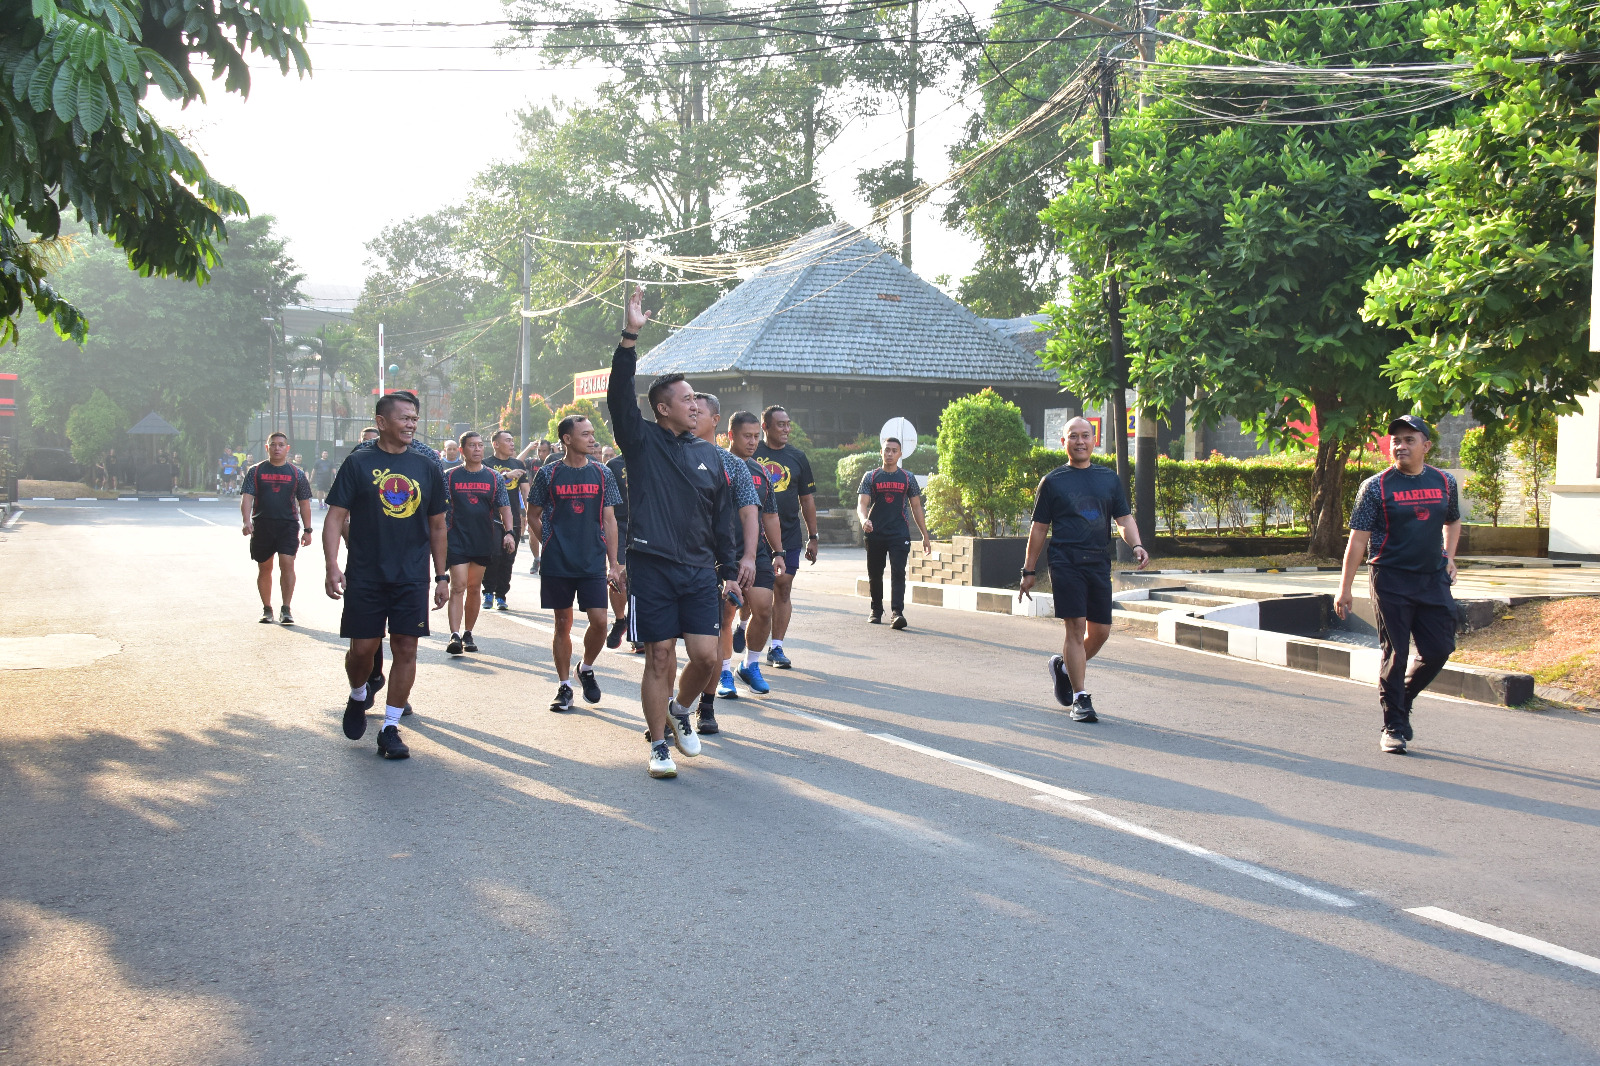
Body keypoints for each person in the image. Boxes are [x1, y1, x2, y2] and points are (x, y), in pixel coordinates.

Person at [608, 285, 753, 778]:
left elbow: (722, 521)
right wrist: (630, 337)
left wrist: (730, 572)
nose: (696, 405)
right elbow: (619, 398)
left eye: (697, 399)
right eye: (687, 399)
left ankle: (678, 712)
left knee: (709, 657)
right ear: (663, 408)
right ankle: (657, 745)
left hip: (697, 569)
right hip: (652, 566)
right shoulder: (641, 441)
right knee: (660, 656)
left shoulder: (710, 455)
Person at [322, 392, 449, 760]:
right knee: (362, 650)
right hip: (366, 574)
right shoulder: (358, 463)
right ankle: (359, 694)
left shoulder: (427, 467)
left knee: (406, 648)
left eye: (414, 418)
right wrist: (332, 565)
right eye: (404, 418)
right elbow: (334, 517)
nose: (411, 424)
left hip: (411, 576)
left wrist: (441, 576)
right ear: (381, 422)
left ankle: (390, 727)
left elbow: (438, 524)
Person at [1335, 416, 1461, 755]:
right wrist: (1345, 587)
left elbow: (1452, 519)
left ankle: (1401, 700)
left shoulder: (1445, 482)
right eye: (1395, 441)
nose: (1400, 446)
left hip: (1432, 577)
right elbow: (1358, 540)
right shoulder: (1375, 486)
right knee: (1397, 652)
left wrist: (1448, 555)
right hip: (1390, 577)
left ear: (1426, 445)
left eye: (1408, 440)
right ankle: (1393, 726)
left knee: (1439, 649)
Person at [1017, 417, 1148, 723]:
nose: (1079, 441)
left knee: (1100, 632)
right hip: (1066, 561)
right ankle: (1080, 697)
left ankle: (1064, 668)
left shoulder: (1108, 479)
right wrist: (1029, 570)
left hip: (1098, 561)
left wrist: (1137, 545)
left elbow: (1124, 519)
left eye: (1085, 436)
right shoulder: (1053, 481)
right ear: (1063, 442)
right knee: (1075, 627)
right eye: (1072, 436)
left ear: (1093, 440)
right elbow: (1039, 529)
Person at [528, 414, 623, 711]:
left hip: (593, 560)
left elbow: (609, 518)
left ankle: (586, 667)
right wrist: (550, 541)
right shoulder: (549, 473)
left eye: (592, 433)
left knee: (599, 621)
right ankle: (564, 686)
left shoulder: (602, 472)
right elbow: (533, 514)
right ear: (567, 439)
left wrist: (614, 563)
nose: (592, 439)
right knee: (562, 624)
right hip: (558, 563)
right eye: (585, 434)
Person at [690, 393, 762, 731]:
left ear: (715, 419)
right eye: (687, 408)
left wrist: (747, 557)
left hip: (715, 563)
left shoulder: (731, 464)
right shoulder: (669, 454)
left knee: (713, 635)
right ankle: (664, 715)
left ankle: (706, 705)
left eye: (698, 410)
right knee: (659, 648)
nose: (691, 413)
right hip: (670, 561)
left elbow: (750, 512)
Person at [725, 410, 786, 698]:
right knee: (726, 614)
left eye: (755, 437)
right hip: (722, 551)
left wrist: (779, 552)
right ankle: (724, 670)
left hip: (757, 552)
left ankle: (749, 665)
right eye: (746, 436)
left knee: (763, 610)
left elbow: (770, 515)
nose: (752, 442)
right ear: (731, 436)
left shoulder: (762, 472)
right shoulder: (718, 465)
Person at [754, 405, 817, 669]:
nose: (786, 429)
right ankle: (745, 625)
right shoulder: (752, 453)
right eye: (780, 424)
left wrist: (813, 536)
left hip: (789, 534)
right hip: (754, 535)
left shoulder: (798, 457)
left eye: (788, 424)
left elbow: (807, 499)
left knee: (783, 588)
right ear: (765, 427)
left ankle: (776, 647)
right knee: (755, 594)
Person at [443, 432, 514, 657]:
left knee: (474, 588)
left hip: (483, 538)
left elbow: (504, 507)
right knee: (458, 585)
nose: (477, 449)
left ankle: (468, 633)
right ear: (462, 451)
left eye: (480, 445)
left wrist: (509, 533)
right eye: (472, 446)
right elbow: (438, 508)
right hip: (456, 538)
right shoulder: (449, 476)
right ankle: (454, 635)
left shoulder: (493, 477)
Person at [857, 436, 932, 629]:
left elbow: (916, 507)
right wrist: (864, 520)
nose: (889, 453)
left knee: (899, 571)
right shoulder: (871, 476)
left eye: (894, 450)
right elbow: (862, 504)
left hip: (899, 533)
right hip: (875, 532)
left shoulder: (907, 477)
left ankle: (897, 613)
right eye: (886, 450)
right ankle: (876, 609)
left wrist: (925, 535)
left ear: (900, 454)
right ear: (881, 452)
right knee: (875, 573)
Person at [241, 432, 313, 625]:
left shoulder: (296, 474)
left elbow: (304, 503)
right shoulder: (255, 471)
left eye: (281, 445)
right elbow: (247, 497)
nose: (277, 448)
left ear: (287, 449)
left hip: (288, 525)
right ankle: (267, 609)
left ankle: (286, 608)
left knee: (287, 564)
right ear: (267, 448)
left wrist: (308, 530)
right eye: (273, 445)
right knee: (265, 567)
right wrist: (246, 520)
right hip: (262, 525)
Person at [483, 429, 530, 611]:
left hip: (514, 517)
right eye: (507, 440)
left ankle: (501, 595)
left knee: (508, 557)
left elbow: (525, 491)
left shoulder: (518, 463)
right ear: (495, 444)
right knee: (494, 555)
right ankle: (488, 591)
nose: (512, 444)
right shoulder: (486, 464)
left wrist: (530, 515)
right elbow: (487, 486)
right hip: (492, 518)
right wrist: (506, 476)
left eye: (512, 440)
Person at [602, 444, 636, 651]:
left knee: (643, 580)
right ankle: (620, 619)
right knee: (619, 576)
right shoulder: (612, 466)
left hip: (647, 525)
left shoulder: (653, 459)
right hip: (620, 524)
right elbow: (608, 506)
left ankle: (636, 628)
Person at [521, 439, 555, 574]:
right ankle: (537, 558)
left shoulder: (555, 462)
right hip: (535, 501)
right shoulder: (533, 463)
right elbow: (517, 462)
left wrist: (556, 453)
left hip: (551, 502)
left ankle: (549, 557)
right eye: (539, 451)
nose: (541, 454)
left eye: (544, 451)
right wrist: (529, 447)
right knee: (532, 531)